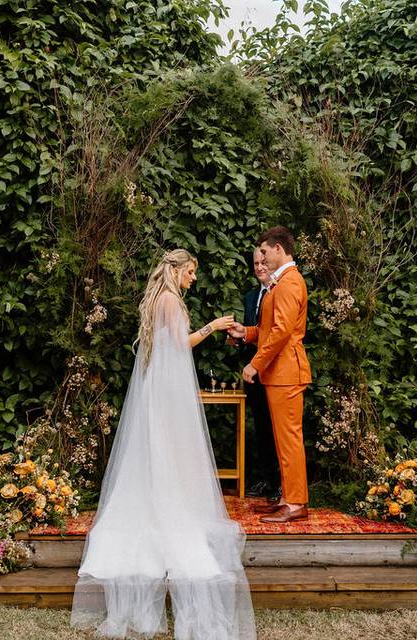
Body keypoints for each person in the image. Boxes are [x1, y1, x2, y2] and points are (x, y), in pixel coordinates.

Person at [71, 249, 257, 640]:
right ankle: (168, 506)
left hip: (159, 384)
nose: (193, 278)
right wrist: (213, 326)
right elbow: (182, 343)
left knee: (160, 451)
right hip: (168, 387)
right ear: (175, 270)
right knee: (171, 448)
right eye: (190, 271)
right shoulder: (170, 300)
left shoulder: (158, 298)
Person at [229, 227, 312, 523]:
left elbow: (281, 332)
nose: (261, 257)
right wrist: (247, 332)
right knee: (283, 440)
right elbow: (269, 330)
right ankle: (288, 499)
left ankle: (296, 503)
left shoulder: (289, 283)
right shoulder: (284, 282)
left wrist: (255, 364)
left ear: (278, 249)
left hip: (286, 371)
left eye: (264, 251)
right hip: (280, 372)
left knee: (289, 440)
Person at [239, 249, 280, 501]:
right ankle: (266, 479)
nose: (259, 267)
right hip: (253, 374)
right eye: (255, 263)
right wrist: (240, 336)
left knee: (279, 429)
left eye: (263, 262)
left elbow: (278, 335)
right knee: (261, 427)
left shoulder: (281, 291)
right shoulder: (251, 296)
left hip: (275, 371)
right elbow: (255, 332)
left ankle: (281, 484)